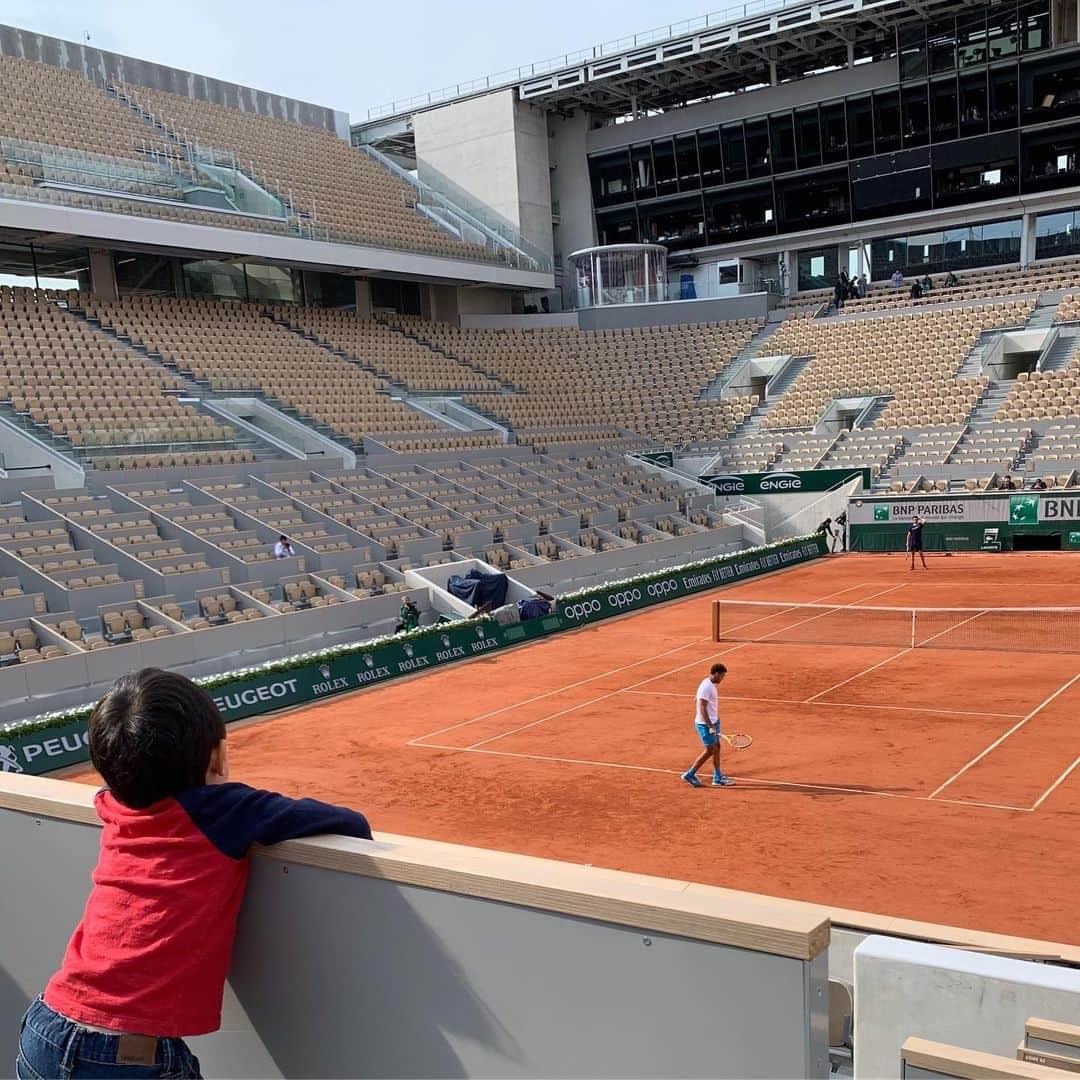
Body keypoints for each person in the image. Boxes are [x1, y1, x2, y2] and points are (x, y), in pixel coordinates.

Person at [18, 669, 371, 1080]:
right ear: (216, 757)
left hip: (46, 1027)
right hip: (124, 1057)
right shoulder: (224, 810)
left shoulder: (112, 805)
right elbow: (351, 823)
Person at [681, 662, 735, 788]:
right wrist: (710, 726)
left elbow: (697, 699)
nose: (722, 678)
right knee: (710, 750)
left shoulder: (708, 684)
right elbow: (702, 707)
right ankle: (689, 774)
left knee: (717, 747)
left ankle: (717, 777)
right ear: (716, 674)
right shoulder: (706, 686)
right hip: (705, 724)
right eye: (722, 676)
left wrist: (713, 722)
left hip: (713, 721)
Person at [473, 590, 557, 626]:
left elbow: (551, 599)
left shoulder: (547, 606)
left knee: (498, 616)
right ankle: (483, 618)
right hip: (515, 608)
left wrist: (539, 593)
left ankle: (484, 618)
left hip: (518, 615)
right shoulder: (534, 602)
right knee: (497, 614)